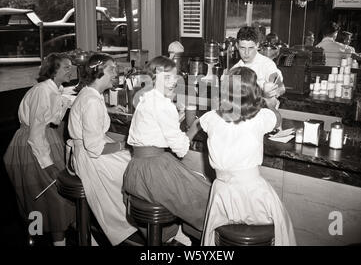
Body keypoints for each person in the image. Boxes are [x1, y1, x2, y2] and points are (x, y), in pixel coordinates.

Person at [196, 67, 296, 246]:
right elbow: (277, 118)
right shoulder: (260, 117)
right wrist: (269, 103)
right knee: (283, 224)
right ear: (253, 91)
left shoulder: (210, 118)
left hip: (222, 198)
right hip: (253, 197)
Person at [123, 56, 211, 244]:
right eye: (166, 78)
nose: (173, 82)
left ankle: (176, 238)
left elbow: (154, 129)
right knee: (209, 198)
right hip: (154, 173)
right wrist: (194, 127)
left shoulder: (146, 98)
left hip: (136, 171)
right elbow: (181, 150)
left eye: (174, 77)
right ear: (154, 79)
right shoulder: (163, 105)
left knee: (197, 187)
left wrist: (174, 119)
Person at [3, 53, 75, 246]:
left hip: (45, 140)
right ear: (53, 70)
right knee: (47, 198)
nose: (71, 70)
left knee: (50, 199)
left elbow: (54, 119)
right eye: (66, 67)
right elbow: (36, 132)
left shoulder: (54, 89)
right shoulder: (43, 91)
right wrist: (47, 164)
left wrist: (67, 98)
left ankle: (51, 239)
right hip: (33, 145)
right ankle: (42, 240)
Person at [68, 53, 137, 246]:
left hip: (91, 149)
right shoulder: (91, 101)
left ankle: (133, 220)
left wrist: (108, 109)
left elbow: (89, 113)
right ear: (98, 72)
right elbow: (94, 148)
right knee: (133, 170)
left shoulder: (91, 94)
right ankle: (130, 225)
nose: (117, 72)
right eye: (112, 69)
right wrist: (123, 145)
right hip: (90, 157)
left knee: (132, 163)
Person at [232, 26, 285, 109]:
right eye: (242, 48)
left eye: (250, 48)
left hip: (265, 114)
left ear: (257, 45)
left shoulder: (266, 64)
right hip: (243, 114)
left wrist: (271, 91)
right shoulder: (235, 69)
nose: (246, 53)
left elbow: (280, 86)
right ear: (237, 46)